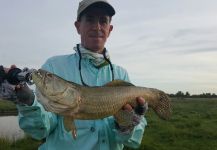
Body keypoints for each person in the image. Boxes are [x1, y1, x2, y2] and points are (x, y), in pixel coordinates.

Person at [0, 0, 148, 149]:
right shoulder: (53, 66)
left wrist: (127, 124)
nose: (97, 27)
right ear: (78, 26)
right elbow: (40, 131)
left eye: (103, 21)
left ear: (110, 29)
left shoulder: (120, 74)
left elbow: (131, 142)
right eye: (90, 19)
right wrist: (28, 103)